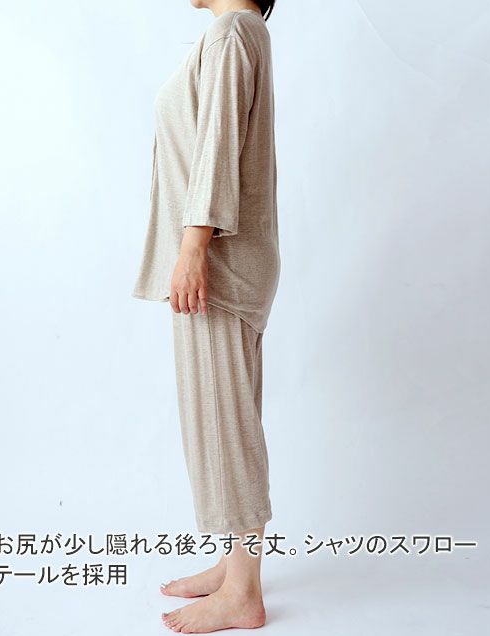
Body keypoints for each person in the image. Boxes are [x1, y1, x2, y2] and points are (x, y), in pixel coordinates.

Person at [131, 0, 279, 631]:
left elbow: (217, 146)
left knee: (224, 427)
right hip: (225, 258)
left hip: (217, 262)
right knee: (228, 422)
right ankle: (234, 565)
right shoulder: (240, 34)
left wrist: (193, 249)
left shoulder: (231, 31)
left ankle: (243, 592)